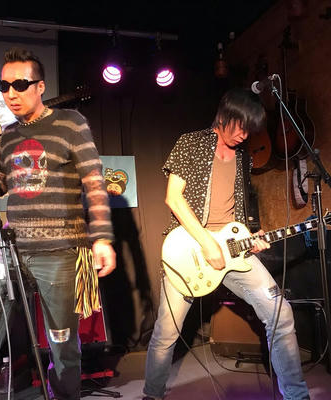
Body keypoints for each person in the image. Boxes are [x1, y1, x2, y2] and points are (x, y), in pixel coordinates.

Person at [0, 47, 116, 400]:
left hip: (59, 252)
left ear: (40, 86)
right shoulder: (9, 136)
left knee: (62, 345)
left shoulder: (70, 123)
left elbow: (94, 182)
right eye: (4, 85)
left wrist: (101, 238)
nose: (11, 93)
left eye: (20, 84)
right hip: (11, 249)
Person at [143, 88, 310, 400]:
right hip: (189, 249)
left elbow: (238, 213)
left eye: (250, 129)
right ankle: (152, 394)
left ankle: (296, 396)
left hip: (232, 250)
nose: (245, 135)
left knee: (280, 312)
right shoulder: (190, 143)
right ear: (224, 116)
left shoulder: (244, 157)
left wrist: (251, 237)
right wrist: (207, 243)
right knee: (166, 333)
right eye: (241, 126)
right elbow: (173, 199)